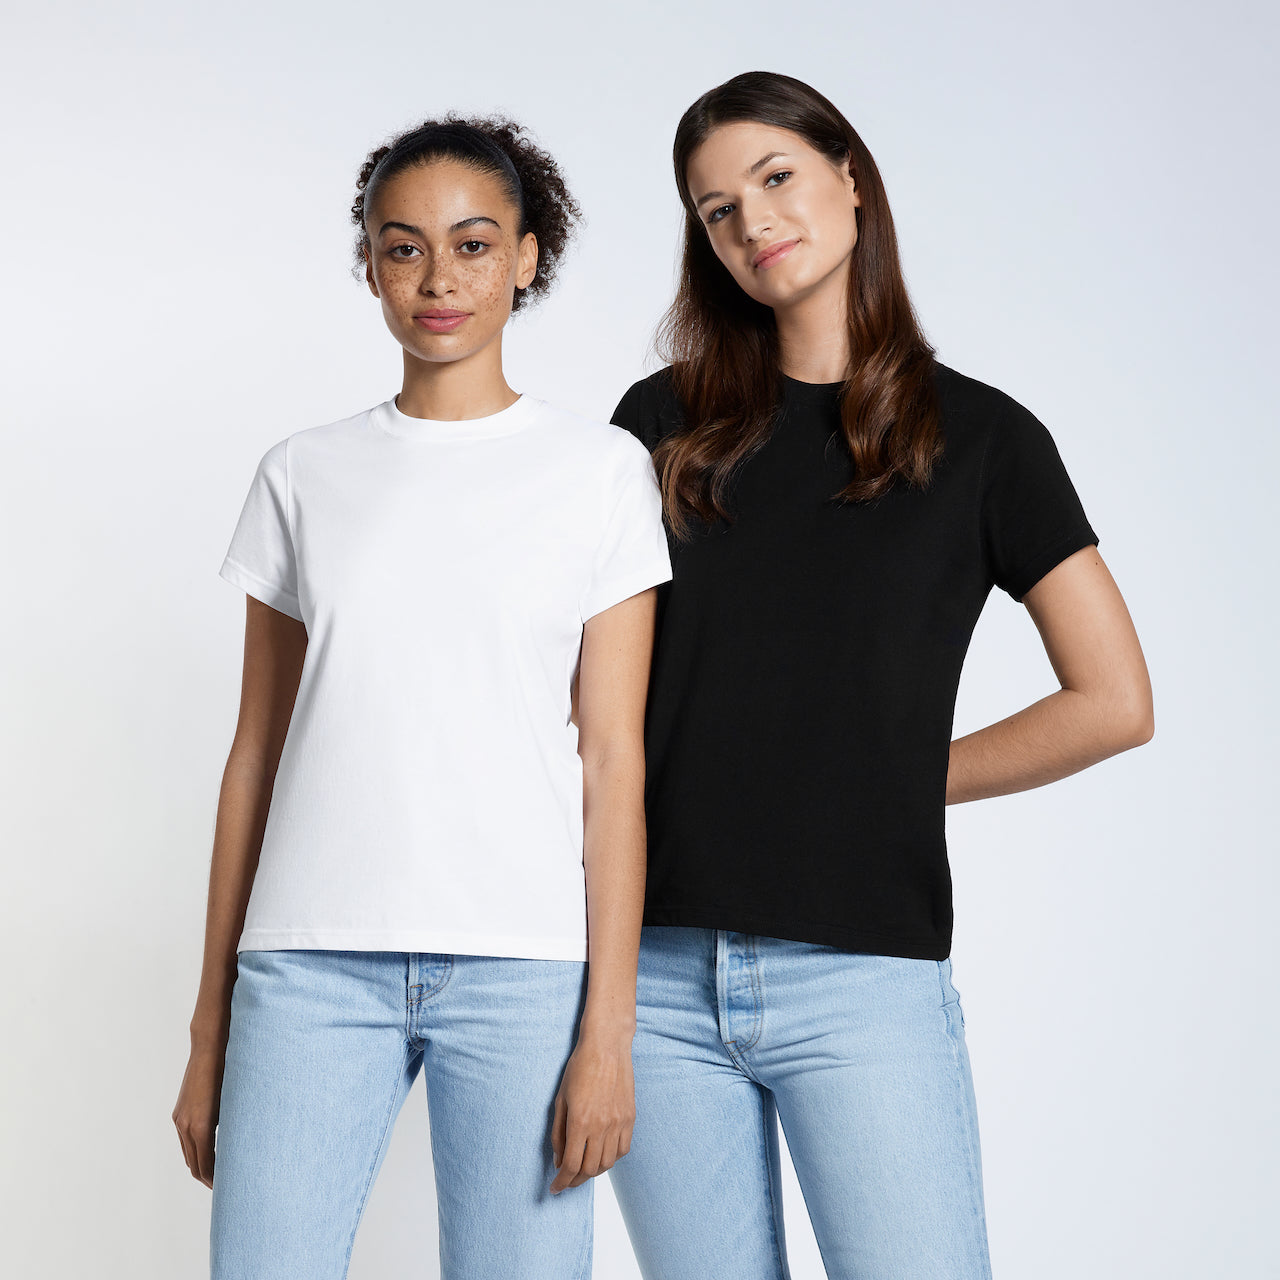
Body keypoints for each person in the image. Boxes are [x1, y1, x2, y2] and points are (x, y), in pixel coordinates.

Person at [605, 71, 1154, 1280]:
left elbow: (1113, 699)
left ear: (849, 177)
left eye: (774, 178)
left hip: (859, 977)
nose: (750, 224)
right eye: (713, 210)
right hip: (647, 975)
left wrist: (893, 781)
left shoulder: (982, 439)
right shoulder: (657, 426)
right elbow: (586, 686)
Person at [170, 115, 672, 1280]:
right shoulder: (302, 473)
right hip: (307, 966)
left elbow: (614, 762)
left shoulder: (599, 473)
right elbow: (256, 751)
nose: (438, 279)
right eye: (403, 249)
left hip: (525, 971)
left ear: (527, 259)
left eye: (473, 244)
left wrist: (608, 1032)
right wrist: (211, 1025)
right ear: (369, 267)